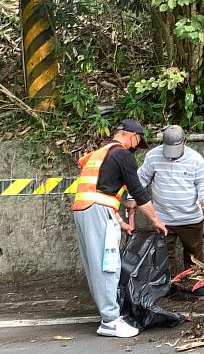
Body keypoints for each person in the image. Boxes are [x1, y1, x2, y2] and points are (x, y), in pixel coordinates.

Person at [72, 119, 168, 338]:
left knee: (95, 265)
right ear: (130, 135)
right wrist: (156, 220)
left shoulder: (100, 153)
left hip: (86, 210)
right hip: (97, 212)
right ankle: (110, 320)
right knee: (108, 265)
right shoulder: (122, 154)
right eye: (137, 141)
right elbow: (138, 191)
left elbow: (100, 190)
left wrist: (118, 220)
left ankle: (108, 314)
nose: (136, 147)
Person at [125, 125, 204, 295]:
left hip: (190, 218)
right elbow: (141, 179)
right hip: (162, 218)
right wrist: (131, 197)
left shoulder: (196, 159)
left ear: (184, 142)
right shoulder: (153, 156)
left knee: (193, 253)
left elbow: (203, 183)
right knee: (165, 254)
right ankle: (169, 285)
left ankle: (196, 283)